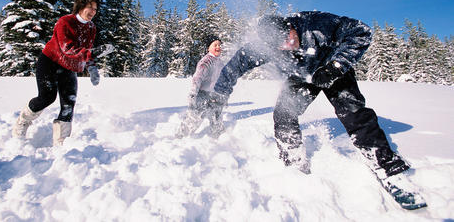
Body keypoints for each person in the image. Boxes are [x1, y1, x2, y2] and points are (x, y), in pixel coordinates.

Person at [210, 11, 426, 210]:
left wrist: (336, 66)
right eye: (280, 45)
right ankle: (293, 159)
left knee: (354, 115)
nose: (288, 45)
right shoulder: (265, 47)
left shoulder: (317, 24)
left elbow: (361, 32)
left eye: (289, 37)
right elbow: (233, 67)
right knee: (284, 114)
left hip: (332, 69)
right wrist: (219, 95)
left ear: (290, 26)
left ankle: (387, 168)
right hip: (301, 77)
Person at [12, 0, 101, 146]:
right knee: (47, 97)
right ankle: (22, 122)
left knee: (69, 104)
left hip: (69, 67)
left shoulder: (91, 28)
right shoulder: (65, 22)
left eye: (95, 9)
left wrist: (92, 67)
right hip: (50, 63)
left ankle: (62, 141)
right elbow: (67, 48)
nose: (93, 11)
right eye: (90, 7)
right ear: (80, 6)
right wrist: (92, 53)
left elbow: (86, 50)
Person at [176, 35, 226, 138]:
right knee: (194, 119)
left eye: (219, 45)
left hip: (215, 96)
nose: (218, 47)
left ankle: (217, 139)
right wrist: (193, 93)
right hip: (202, 95)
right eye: (215, 45)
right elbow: (197, 78)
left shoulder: (220, 62)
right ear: (208, 48)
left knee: (217, 119)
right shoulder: (206, 61)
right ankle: (180, 137)